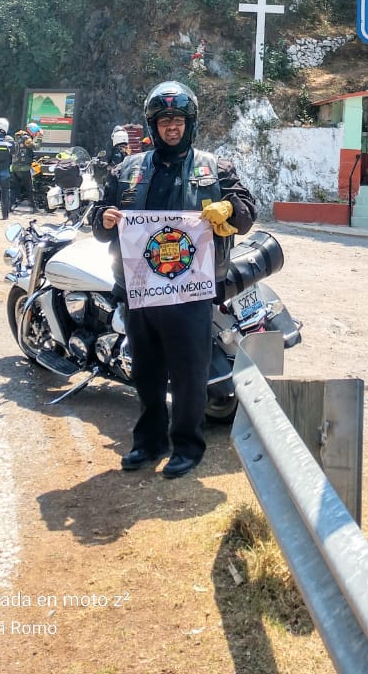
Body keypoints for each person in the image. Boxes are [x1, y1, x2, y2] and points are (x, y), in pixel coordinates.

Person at [92, 81, 255, 479]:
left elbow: (247, 212)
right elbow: (98, 220)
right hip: (140, 290)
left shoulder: (214, 168)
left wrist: (229, 209)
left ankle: (187, 447)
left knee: (189, 374)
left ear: (190, 123)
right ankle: (148, 443)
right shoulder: (127, 170)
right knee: (146, 373)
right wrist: (104, 219)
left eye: (178, 120)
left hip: (190, 292)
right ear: (153, 126)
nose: (171, 127)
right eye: (164, 120)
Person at [11, 123, 41, 210]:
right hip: (24, 168)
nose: (36, 134)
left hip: (15, 167)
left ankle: (9, 206)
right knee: (29, 188)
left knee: (15, 188)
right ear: (31, 131)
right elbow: (36, 147)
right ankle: (33, 208)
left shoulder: (17, 138)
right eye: (36, 132)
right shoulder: (26, 139)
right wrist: (40, 138)